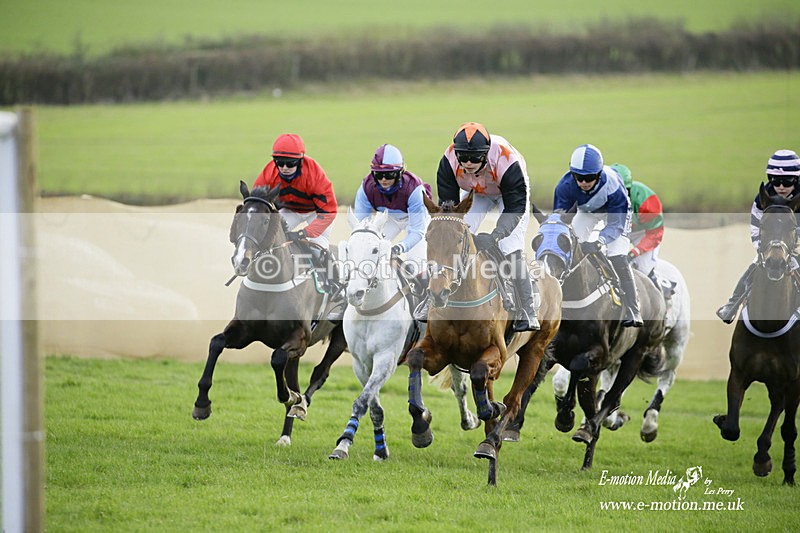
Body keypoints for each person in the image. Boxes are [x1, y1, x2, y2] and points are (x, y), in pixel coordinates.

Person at [433, 121, 539, 331]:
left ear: (486, 153)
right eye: (463, 157)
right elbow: (449, 210)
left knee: (510, 247)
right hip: (478, 193)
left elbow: (514, 209)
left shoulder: (506, 162)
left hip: (508, 197)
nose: (469, 163)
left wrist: (495, 236)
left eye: (475, 158)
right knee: (452, 238)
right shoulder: (448, 161)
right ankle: (436, 295)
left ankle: (528, 310)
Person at [252, 133, 343, 319]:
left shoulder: (315, 175)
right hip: (290, 210)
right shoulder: (270, 172)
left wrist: (303, 233)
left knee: (317, 247)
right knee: (270, 240)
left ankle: (335, 287)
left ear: (300, 161)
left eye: (290, 163)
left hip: (318, 213)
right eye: (280, 162)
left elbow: (329, 212)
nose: (284, 167)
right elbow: (258, 201)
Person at [552, 144, 643, 327]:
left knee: (616, 254)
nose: (584, 182)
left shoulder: (613, 186)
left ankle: (634, 308)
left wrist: (600, 241)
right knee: (566, 245)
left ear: (599, 174)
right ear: (572, 174)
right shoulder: (565, 185)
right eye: (579, 177)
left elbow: (615, 225)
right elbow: (560, 219)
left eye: (590, 177)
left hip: (615, 215)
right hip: (588, 212)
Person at [716, 149, 800, 323]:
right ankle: (732, 304)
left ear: (796, 179)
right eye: (776, 181)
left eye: (787, 181)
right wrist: (762, 250)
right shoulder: (762, 199)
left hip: (794, 246)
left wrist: (793, 251)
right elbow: (756, 227)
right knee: (753, 268)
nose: (781, 187)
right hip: (771, 247)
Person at [353, 144, 432, 276]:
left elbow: (417, 231)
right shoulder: (366, 188)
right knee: (369, 251)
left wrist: (399, 247)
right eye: (378, 174)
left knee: (416, 265)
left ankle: (424, 291)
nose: (383, 180)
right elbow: (361, 225)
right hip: (388, 218)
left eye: (389, 174)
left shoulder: (414, 189)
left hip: (415, 221)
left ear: (400, 172)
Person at [610, 163, 664, 282]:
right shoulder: (601, 197)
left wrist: (635, 252)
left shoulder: (646, 200)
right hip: (616, 232)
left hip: (643, 233)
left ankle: (658, 290)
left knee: (644, 270)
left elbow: (655, 234)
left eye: (626, 191)